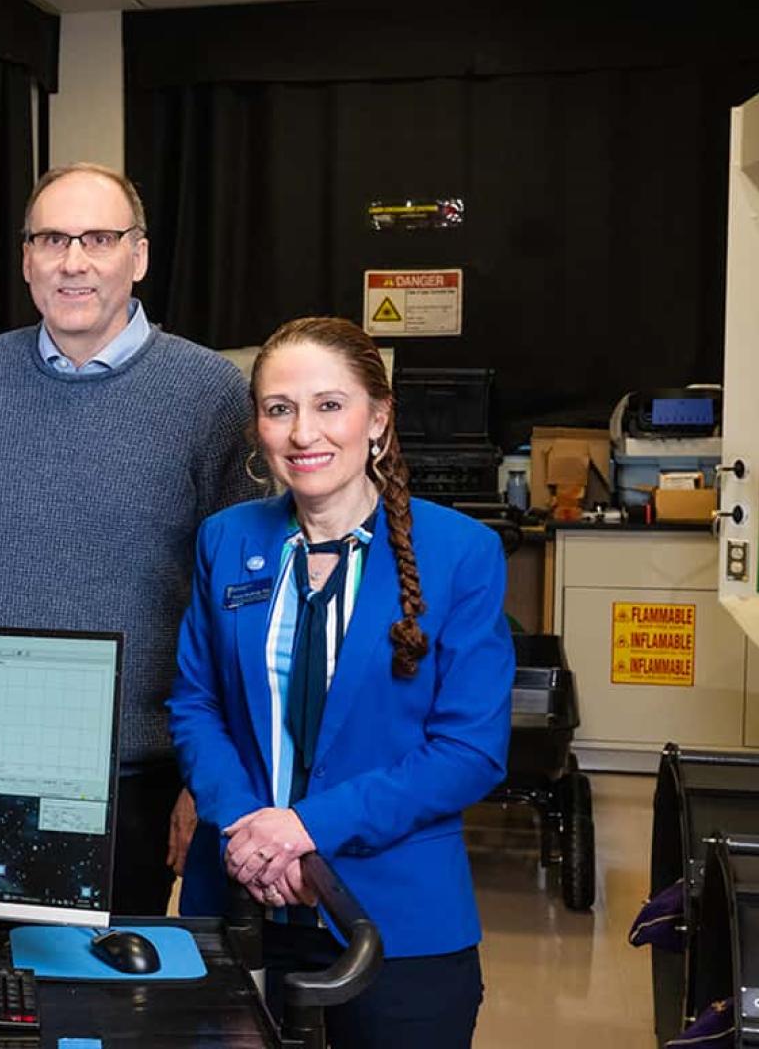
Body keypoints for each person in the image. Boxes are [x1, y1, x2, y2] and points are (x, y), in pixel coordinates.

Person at [0, 162, 253, 917]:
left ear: (139, 256)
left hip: (140, 774)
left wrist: (205, 776)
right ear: (26, 259)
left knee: (111, 1004)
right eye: (52, 238)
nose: (74, 260)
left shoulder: (211, 394)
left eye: (99, 238)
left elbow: (242, 601)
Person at [168, 316, 513, 1048]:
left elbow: (469, 752)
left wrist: (306, 829)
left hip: (395, 915)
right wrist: (246, 832)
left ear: (378, 418)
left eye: (330, 405)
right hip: (239, 896)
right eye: (280, 408)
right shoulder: (227, 540)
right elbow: (196, 704)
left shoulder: (462, 554)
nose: (303, 434)